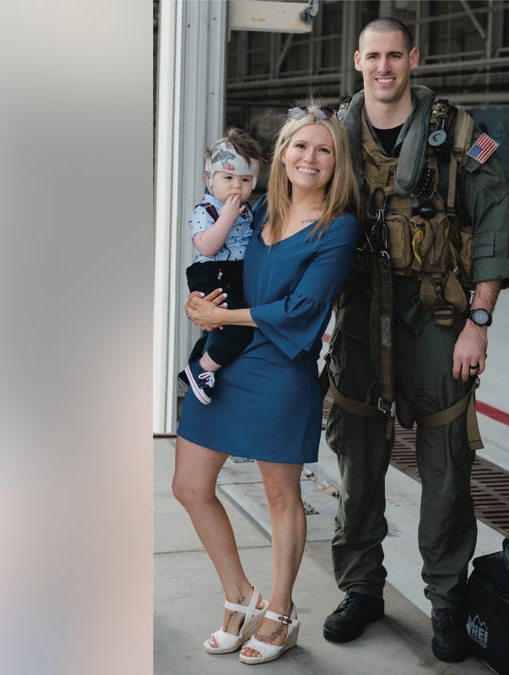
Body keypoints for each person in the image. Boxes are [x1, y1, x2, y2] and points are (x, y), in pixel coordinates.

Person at [323, 16, 509, 663]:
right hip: (357, 319)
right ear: (358, 60)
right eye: (372, 56)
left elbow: (494, 223)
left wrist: (479, 321)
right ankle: (361, 588)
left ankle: (447, 600)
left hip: (438, 320)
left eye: (394, 56)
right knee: (356, 461)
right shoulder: (334, 137)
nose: (383, 67)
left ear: (414, 57)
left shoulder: (457, 135)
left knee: (446, 467)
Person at [173, 105, 359, 666]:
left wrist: (223, 320)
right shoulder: (255, 210)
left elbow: (304, 308)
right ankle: (239, 597)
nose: (310, 157)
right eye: (300, 146)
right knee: (189, 485)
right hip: (226, 360)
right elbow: (218, 265)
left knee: (282, 495)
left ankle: (280, 610)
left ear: (336, 163)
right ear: (280, 155)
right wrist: (198, 304)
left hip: (280, 366)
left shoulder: (338, 225)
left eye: (323, 150)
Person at [181, 129, 265, 404]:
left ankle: (196, 368)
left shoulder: (249, 208)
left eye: (245, 180)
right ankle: (201, 369)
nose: (236, 187)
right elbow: (206, 246)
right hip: (212, 273)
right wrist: (227, 216)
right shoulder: (206, 211)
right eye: (228, 178)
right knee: (236, 328)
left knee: (221, 328)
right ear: (209, 178)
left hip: (233, 273)